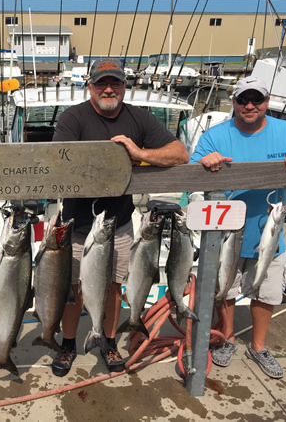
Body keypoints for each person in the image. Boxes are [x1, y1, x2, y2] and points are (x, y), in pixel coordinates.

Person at [51, 57, 189, 377]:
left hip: (121, 225)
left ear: (125, 86)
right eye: (101, 83)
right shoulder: (73, 117)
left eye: (115, 82)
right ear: (90, 86)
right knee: (75, 288)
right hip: (77, 226)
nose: (108, 89)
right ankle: (68, 344)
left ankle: (108, 340)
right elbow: (59, 159)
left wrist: (139, 155)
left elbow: (180, 154)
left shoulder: (139, 118)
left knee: (113, 287)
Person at [190, 76, 286, 379]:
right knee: (227, 289)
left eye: (256, 100)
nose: (249, 106)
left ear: (266, 103)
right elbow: (191, 175)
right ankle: (228, 337)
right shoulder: (215, 135)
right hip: (226, 232)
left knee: (266, 292)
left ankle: (258, 346)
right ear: (233, 102)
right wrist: (205, 163)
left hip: (270, 231)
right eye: (243, 100)